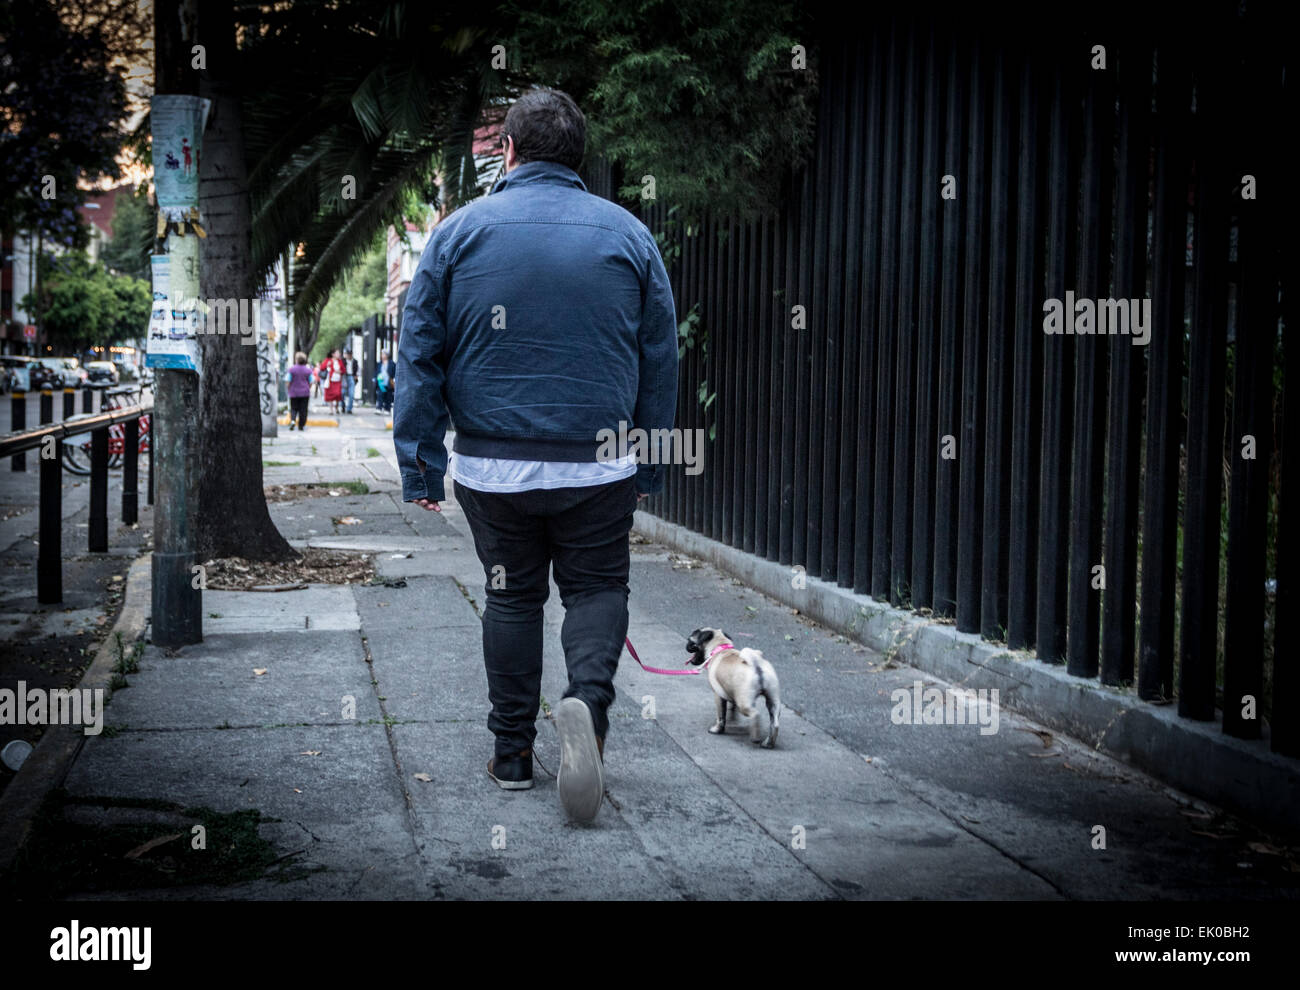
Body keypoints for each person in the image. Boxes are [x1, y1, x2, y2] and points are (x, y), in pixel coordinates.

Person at [394, 88, 677, 823]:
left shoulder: (458, 233)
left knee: (512, 595)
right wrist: (649, 461)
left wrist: (420, 462)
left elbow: (420, 351)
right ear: (579, 158)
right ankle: (586, 705)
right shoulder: (629, 235)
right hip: (600, 464)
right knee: (594, 591)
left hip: (494, 465)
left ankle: (513, 753)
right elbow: (659, 357)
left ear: (508, 152)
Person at [286, 351, 313, 430]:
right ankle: (301, 425)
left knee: (293, 408)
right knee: (303, 409)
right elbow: (311, 381)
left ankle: (293, 421)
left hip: (294, 392)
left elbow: (288, 381)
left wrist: (289, 389)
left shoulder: (291, 370)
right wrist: (308, 387)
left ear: (296, 360)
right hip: (305, 393)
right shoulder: (308, 370)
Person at [322, 348, 343, 413]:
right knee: (330, 395)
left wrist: (340, 371)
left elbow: (343, 370)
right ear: (333, 354)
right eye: (337, 353)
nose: (338, 354)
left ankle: (336, 407)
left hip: (338, 380)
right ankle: (331, 409)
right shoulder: (328, 360)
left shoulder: (339, 361)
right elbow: (322, 367)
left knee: (338, 394)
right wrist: (327, 365)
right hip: (331, 380)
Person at [375, 350, 396, 414]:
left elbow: (394, 372)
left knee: (388, 396)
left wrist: (394, 380)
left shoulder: (392, 363)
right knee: (380, 395)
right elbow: (376, 372)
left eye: (384, 354)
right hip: (381, 382)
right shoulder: (379, 363)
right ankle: (379, 408)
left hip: (388, 382)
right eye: (382, 354)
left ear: (387, 355)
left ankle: (387, 409)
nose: (382, 355)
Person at [342, 348, 357, 414]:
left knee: (351, 394)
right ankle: (343, 405)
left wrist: (356, 376)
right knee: (342, 393)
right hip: (344, 377)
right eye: (347, 354)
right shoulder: (343, 361)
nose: (348, 355)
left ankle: (349, 409)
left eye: (349, 354)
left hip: (351, 377)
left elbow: (357, 370)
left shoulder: (355, 361)